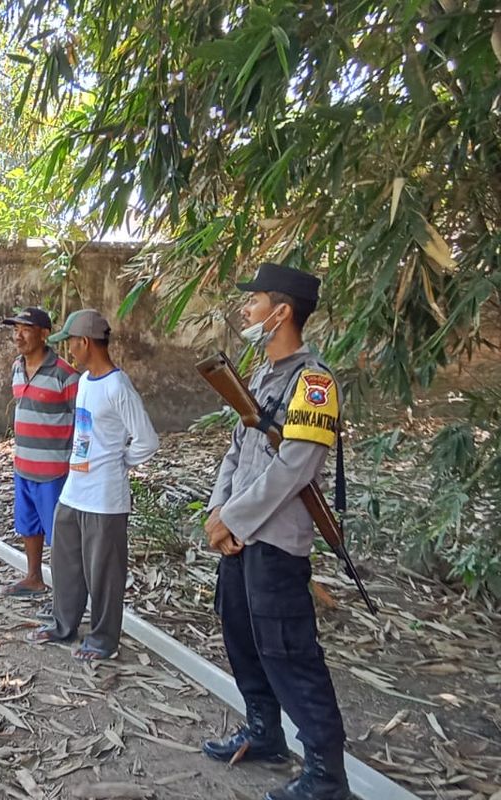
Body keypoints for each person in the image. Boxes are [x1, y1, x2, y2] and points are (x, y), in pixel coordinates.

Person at [200, 263, 349, 800]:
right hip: (238, 539)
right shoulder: (261, 376)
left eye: (255, 300)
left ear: (282, 311)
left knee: (291, 653)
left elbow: (294, 469)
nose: (246, 309)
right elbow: (237, 452)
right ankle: (264, 733)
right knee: (242, 639)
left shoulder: (313, 384)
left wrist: (232, 519)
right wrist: (217, 514)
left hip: (275, 543)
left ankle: (327, 776)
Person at [26, 309, 158, 661]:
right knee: (67, 564)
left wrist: (119, 462)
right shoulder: (85, 382)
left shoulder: (118, 386)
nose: (68, 350)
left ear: (85, 342)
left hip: (104, 497)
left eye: (70, 342)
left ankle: (103, 639)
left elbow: (147, 440)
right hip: (75, 490)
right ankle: (63, 624)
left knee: (104, 574)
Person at [0, 307, 78, 596]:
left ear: (44, 334)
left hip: (54, 470)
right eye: (15, 329)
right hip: (23, 466)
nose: (18, 336)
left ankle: (66, 594)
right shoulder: (16, 368)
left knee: (60, 535)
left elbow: (81, 422)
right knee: (28, 526)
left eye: (26, 329)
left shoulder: (66, 375)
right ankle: (33, 577)